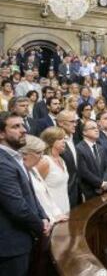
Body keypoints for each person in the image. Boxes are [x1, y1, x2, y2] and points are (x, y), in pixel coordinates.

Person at [0, 112, 50, 276]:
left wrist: (44, 216)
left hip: (23, 239)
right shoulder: (2, 162)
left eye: (23, 125)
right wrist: (41, 226)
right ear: (1, 133)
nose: (24, 130)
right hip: (10, 246)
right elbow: (17, 207)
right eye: (16, 126)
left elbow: (31, 195)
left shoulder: (15, 157)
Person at [21, 135, 69, 225]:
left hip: (53, 218)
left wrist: (56, 214)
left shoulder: (33, 170)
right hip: (42, 223)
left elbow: (47, 195)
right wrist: (49, 219)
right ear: (24, 154)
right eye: (39, 153)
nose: (42, 157)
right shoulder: (23, 172)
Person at [37, 127, 70, 214]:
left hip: (65, 208)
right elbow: (37, 189)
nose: (64, 141)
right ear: (51, 141)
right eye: (60, 139)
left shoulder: (61, 160)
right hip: (51, 212)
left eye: (64, 138)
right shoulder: (44, 161)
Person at [76, 120, 107, 200]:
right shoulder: (79, 148)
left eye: (97, 127)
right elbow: (84, 172)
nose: (96, 130)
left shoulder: (100, 147)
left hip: (104, 189)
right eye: (92, 128)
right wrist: (100, 183)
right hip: (89, 191)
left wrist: (104, 182)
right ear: (84, 132)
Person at [56, 110, 82, 207]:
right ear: (61, 123)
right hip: (64, 191)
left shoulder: (75, 138)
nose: (75, 124)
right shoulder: (55, 141)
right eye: (72, 122)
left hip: (78, 188)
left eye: (76, 122)